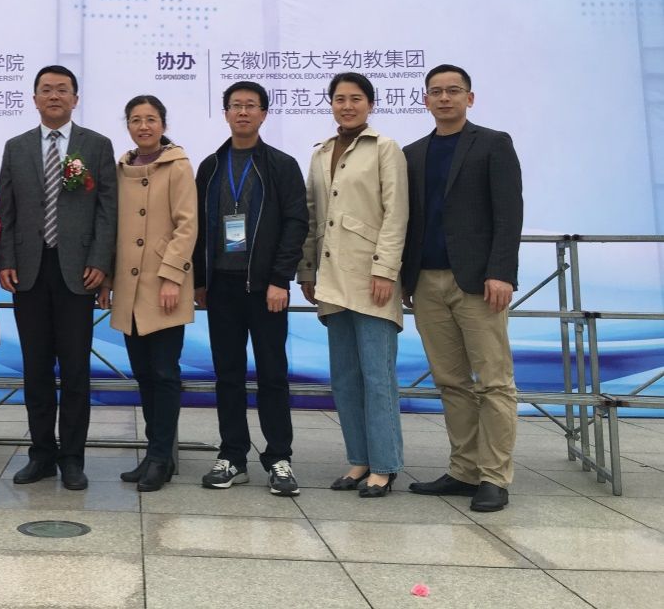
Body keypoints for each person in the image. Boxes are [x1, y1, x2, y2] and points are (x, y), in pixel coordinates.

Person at [401, 64, 523, 513]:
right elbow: (408, 221)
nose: (444, 98)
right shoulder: (412, 153)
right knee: (451, 382)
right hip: (426, 282)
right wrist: (405, 278)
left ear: (469, 98)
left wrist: (501, 272)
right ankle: (464, 470)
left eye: (453, 91)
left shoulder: (493, 144)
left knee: (494, 382)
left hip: (478, 283)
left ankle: (494, 477)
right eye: (436, 91)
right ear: (425, 100)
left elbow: (509, 213)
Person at [0, 64, 118, 490]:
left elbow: (108, 210)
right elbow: (5, 209)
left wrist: (101, 262)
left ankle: (72, 459)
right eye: (46, 90)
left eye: (62, 90)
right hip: (28, 271)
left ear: (75, 99)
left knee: (76, 370)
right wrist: (5, 259)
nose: (54, 96)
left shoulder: (96, 145)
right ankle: (42, 455)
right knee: (36, 369)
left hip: (78, 272)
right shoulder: (16, 147)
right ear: (34, 99)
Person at [193, 80, 308, 496]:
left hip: (265, 289)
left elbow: (296, 223)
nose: (243, 112)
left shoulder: (281, 165)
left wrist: (280, 279)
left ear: (263, 113)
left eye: (251, 105)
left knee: (273, 374)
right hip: (221, 287)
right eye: (236, 105)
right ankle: (233, 456)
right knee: (228, 375)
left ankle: (279, 458)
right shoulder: (210, 166)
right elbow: (198, 227)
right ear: (225, 113)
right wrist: (200, 281)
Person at [298, 73, 409, 498]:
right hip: (331, 280)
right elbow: (312, 216)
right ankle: (359, 459)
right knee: (345, 378)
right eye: (340, 99)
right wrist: (307, 271)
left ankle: (384, 466)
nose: (347, 106)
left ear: (370, 104)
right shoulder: (321, 152)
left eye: (356, 98)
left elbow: (396, 213)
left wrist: (386, 270)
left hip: (371, 277)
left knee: (377, 377)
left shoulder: (385, 148)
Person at [98, 95, 196, 492]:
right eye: (136, 120)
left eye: (151, 119)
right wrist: (107, 280)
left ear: (163, 124)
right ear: (128, 126)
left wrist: (172, 277)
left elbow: (187, 226)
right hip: (128, 288)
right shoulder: (119, 169)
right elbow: (109, 226)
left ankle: (161, 457)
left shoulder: (178, 165)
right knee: (143, 375)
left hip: (164, 288)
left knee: (165, 374)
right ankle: (154, 455)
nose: (144, 126)